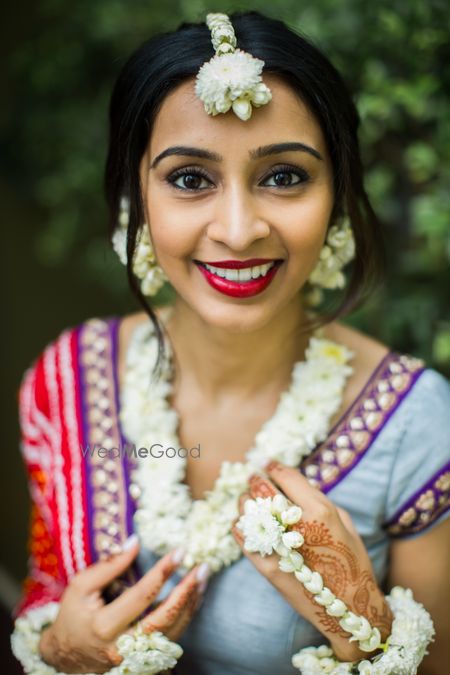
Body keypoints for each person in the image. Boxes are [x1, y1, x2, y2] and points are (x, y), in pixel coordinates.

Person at [10, 9, 450, 675]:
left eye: (284, 176)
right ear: (137, 194)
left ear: (336, 197)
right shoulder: (68, 379)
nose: (239, 230)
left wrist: (362, 616)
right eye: (190, 178)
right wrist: (57, 647)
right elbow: (46, 588)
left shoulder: (416, 423)